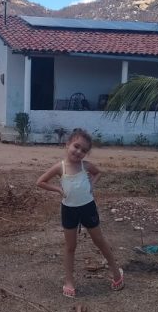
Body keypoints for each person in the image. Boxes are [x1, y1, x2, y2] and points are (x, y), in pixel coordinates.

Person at [37, 128, 124, 298]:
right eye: (76, 146)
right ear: (67, 144)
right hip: (69, 210)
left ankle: (117, 273)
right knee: (70, 246)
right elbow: (40, 182)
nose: (79, 152)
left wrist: (92, 184)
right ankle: (69, 281)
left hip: (88, 208)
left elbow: (98, 173)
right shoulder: (59, 167)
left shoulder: (86, 166)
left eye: (84, 150)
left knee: (99, 241)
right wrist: (58, 189)